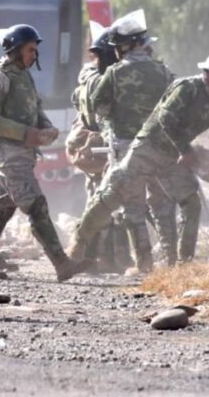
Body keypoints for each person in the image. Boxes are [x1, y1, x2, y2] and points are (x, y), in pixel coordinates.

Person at [68, 52, 209, 270]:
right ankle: (80, 239)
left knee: (191, 203)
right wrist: (185, 149)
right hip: (149, 147)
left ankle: (182, 265)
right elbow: (165, 118)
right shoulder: (186, 88)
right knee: (115, 192)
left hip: (171, 157)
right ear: (208, 74)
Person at [0, 24, 87, 282]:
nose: (34, 55)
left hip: (22, 154)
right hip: (9, 155)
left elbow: (34, 109)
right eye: (30, 50)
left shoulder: (24, 76)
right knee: (36, 206)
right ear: (15, 49)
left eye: (35, 50)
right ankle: (61, 263)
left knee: (2, 208)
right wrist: (25, 133)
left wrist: (46, 127)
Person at [90, 10, 174, 267]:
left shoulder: (114, 74)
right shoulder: (163, 71)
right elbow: (176, 106)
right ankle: (172, 260)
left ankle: (144, 262)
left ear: (128, 46)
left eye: (119, 46)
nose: (116, 51)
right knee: (162, 203)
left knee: (132, 205)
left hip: (127, 146)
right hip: (159, 146)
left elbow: (99, 107)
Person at [65, 23, 129, 272]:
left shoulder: (87, 78)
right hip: (100, 149)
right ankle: (94, 256)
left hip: (92, 150)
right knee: (103, 204)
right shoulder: (99, 82)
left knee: (98, 201)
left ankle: (97, 256)